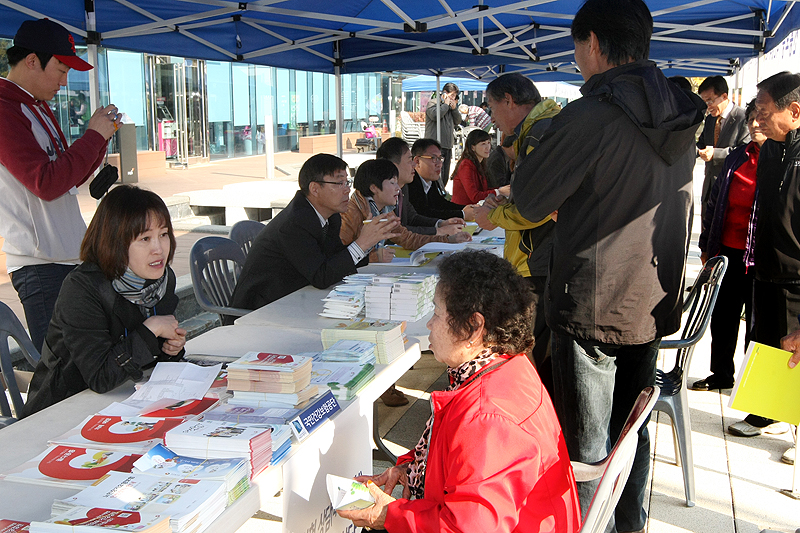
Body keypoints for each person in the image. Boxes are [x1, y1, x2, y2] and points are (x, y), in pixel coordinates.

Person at [510, 1, 705, 530]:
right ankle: (631, 525)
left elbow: (527, 199)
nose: (576, 60)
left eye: (576, 48)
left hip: (592, 304)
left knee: (587, 449)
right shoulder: (683, 111)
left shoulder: (591, 115)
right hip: (651, 298)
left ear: (592, 43)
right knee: (632, 432)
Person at [338, 250, 581, 533]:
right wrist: (409, 470)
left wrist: (388, 515)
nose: (429, 323)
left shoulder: (486, 417)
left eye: (438, 313)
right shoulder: (506, 364)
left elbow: (467, 528)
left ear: (474, 327)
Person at [0, 18, 121, 353]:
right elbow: (47, 183)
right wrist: (94, 135)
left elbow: (67, 178)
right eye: (61, 68)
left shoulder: (36, 106)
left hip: (66, 258)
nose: (65, 81)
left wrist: (98, 142)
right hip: (40, 266)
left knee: (87, 360)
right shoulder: (5, 109)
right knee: (62, 371)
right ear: (31, 61)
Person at [22, 186, 186, 416]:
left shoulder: (161, 282)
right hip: (62, 409)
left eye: (164, 234)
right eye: (145, 238)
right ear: (115, 242)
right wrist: (152, 329)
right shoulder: (83, 289)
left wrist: (171, 349)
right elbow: (99, 377)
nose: (158, 249)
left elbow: (149, 354)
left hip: (127, 403)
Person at [473, 73, 561, 397]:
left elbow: (536, 206)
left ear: (509, 100)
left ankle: (531, 420)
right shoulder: (540, 128)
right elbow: (533, 197)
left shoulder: (539, 133)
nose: (493, 120)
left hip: (538, 261)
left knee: (528, 353)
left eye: (493, 109)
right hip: (536, 257)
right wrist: (508, 201)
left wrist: (492, 215)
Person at [229, 154, 400, 315]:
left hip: (296, 299)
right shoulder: (294, 223)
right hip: (260, 310)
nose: (347, 190)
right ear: (315, 188)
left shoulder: (330, 216)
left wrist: (367, 245)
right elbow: (322, 277)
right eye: (339, 183)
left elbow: (333, 259)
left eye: (347, 182)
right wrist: (362, 243)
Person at [727, 72, 800, 439]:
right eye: (755, 110)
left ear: (795, 111)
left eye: (765, 111)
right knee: (768, 345)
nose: (757, 120)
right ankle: (766, 413)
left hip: (796, 279)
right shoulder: (772, 147)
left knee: (795, 353)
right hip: (765, 270)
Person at [691, 99, 764, 392]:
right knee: (722, 318)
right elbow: (715, 201)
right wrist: (707, 244)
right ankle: (721, 374)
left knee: (756, 326)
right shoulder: (737, 157)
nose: (755, 124)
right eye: (751, 118)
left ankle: (752, 387)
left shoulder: (782, 161)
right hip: (728, 251)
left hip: (761, 258)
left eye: (761, 117)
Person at [339, 159, 470, 261]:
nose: (398, 188)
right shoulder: (351, 213)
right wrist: (372, 258)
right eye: (392, 183)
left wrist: (449, 240)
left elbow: (409, 239)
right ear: (374, 188)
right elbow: (339, 255)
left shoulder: (384, 210)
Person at [376, 137, 466, 237]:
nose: (414, 165)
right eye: (410, 160)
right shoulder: (380, 192)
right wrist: (439, 231)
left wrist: (440, 223)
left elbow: (413, 218)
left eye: (440, 158)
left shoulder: (403, 187)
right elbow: (396, 231)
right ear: (394, 166)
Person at [696, 75, 751, 225]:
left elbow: (745, 150)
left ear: (724, 96)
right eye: (705, 102)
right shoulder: (710, 120)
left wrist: (716, 154)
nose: (708, 106)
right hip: (709, 187)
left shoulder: (743, 117)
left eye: (711, 101)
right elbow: (701, 143)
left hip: (731, 186)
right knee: (707, 231)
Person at [408, 138, 476, 222]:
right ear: (417, 161)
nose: (439, 164)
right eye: (434, 158)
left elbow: (440, 204)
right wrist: (462, 214)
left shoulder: (430, 180)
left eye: (440, 158)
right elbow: (423, 213)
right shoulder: (410, 182)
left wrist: (468, 208)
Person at [450, 129, 510, 204]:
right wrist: (499, 191)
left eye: (488, 143)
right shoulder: (466, 165)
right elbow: (475, 196)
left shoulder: (480, 163)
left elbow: (484, 190)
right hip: (463, 211)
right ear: (473, 147)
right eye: (483, 144)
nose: (487, 147)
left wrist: (503, 190)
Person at [425, 82, 463, 186]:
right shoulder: (433, 103)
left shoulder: (451, 108)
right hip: (435, 144)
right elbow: (435, 115)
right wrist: (445, 105)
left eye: (455, 96)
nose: (453, 98)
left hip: (447, 144)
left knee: (445, 172)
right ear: (444, 93)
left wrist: (454, 109)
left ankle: (443, 190)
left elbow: (458, 120)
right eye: (451, 95)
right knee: (436, 171)